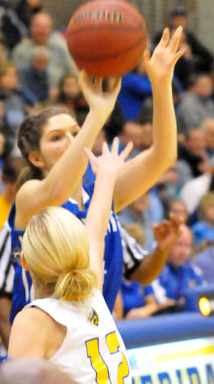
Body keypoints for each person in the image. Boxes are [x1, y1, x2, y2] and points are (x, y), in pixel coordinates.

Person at [8, 27, 185, 322]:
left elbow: (163, 155)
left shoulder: (102, 195)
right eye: (57, 138)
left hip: (95, 339)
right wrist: (97, 114)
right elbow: (56, 192)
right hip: (44, 346)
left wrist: (161, 82)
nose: (72, 141)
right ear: (35, 158)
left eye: (75, 133)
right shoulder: (30, 197)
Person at [8, 138, 133, 383]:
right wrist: (106, 175)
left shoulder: (34, 320)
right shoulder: (93, 293)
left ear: (24, 261)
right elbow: (96, 230)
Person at [152, 225, 203, 307]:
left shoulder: (192, 269)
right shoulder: (152, 268)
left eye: (187, 246)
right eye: (179, 245)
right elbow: (162, 304)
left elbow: (204, 294)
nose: (184, 252)